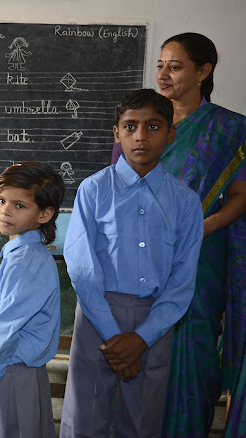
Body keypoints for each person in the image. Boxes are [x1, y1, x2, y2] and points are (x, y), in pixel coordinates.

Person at [111, 33, 246, 437]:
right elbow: (116, 189)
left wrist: (201, 228)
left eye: (176, 66)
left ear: (203, 72)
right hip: (138, 254)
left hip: (200, 255)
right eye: (160, 65)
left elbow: (240, 195)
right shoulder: (141, 122)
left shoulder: (229, 128)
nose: (164, 74)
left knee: (192, 345)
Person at [62, 89, 204, 437]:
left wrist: (141, 339)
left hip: (156, 319)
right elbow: (82, 268)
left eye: (153, 126)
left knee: (142, 419)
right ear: (117, 133)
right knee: (85, 415)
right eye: (130, 126)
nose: (141, 136)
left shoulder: (185, 201)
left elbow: (182, 279)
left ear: (171, 134)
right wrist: (115, 338)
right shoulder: (93, 190)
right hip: (98, 315)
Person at [0, 161, 65, 438]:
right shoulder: (23, 254)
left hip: (7, 375)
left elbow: (3, 333)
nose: (5, 211)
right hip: (13, 372)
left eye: (20, 206)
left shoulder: (25, 264)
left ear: (44, 214)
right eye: (1, 200)